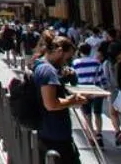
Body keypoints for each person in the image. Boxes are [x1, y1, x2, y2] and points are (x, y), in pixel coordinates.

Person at [39, 35, 92, 164]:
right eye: (66, 58)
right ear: (59, 52)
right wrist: (74, 100)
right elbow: (51, 104)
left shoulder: (41, 65)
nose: (66, 62)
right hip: (54, 133)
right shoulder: (48, 71)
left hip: (51, 131)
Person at [75, 43, 110, 146]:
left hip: (83, 92)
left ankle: (91, 136)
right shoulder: (96, 62)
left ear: (80, 52)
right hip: (96, 91)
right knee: (98, 113)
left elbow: (74, 79)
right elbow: (102, 77)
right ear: (90, 51)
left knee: (87, 115)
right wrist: (106, 88)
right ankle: (99, 134)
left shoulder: (76, 63)